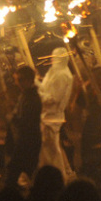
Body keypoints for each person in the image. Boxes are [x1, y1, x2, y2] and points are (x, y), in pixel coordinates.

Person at [37, 48, 75, 182]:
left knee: (51, 149)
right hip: (47, 115)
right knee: (52, 147)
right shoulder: (55, 71)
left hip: (52, 116)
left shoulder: (61, 75)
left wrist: (36, 90)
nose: (51, 59)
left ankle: (59, 176)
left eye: (54, 57)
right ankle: (65, 171)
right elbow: (46, 89)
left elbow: (53, 98)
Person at [6, 65, 42, 188]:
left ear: (26, 80)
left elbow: (27, 121)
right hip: (26, 140)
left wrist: (12, 117)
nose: (16, 83)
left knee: (16, 170)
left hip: (28, 141)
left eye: (18, 80)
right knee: (19, 170)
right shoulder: (26, 95)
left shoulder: (32, 98)